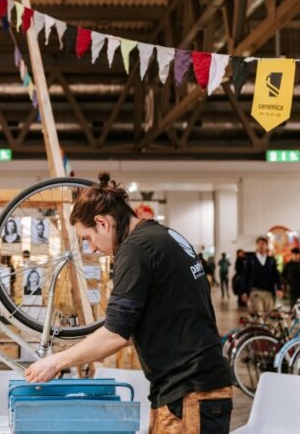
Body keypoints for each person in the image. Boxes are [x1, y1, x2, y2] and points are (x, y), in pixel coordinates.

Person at [24, 173, 233, 433]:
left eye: (87, 238)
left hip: (190, 391)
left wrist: (55, 362)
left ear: (102, 222)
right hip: (188, 389)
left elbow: (116, 334)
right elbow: (148, 323)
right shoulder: (161, 236)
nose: (92, 248)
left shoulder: (136, 249)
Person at [240, 236, 283, 315]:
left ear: (266, 246)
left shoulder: (271, 260)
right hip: (255, 292)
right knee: (259, 314)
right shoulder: (250, 260)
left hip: (268, 292)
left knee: (268, 315)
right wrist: (244, 292)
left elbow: (276, 275)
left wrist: (279, 288)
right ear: (256, 246)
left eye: (263, 244)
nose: (261, 245)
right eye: (259, 244)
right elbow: (245, 276)